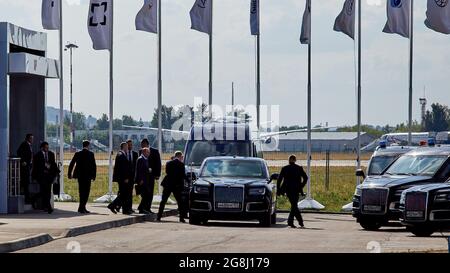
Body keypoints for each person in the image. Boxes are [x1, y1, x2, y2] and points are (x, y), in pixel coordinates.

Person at [277, 155, 308, 228]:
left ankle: (294, 222)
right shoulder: (299, 168)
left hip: (288, 189)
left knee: (294, 205)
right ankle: (298, 222)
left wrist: (279, 189)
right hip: (296, 189)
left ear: (289, 160)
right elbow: (305, 178)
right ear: (295, 160)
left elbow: (279, 180)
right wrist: (301, 185)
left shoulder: (285, 168)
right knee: (294, 205)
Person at [157, 151, 187, 222]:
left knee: (163, 201)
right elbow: (182, 175)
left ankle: (159, 216)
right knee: (180, 202)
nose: (182, 158)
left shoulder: (168, 163)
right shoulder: (181, 164)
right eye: (181, 157)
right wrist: (189, 180)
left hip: (168, 184)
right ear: (179, 156)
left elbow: (167, 172)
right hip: (177, 185)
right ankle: (181, 218)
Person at [68, 140, 97, 214]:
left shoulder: (78, 153)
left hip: (80, 176)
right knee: (86, 192)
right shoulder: (91, 154)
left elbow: (72, 164)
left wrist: (69, 174)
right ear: (88, 145)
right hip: (88, 176)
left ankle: (81, 207)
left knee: (81, 191)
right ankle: (82, 207)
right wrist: (94, 176)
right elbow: (94, 166)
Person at [32, 142, 59, 214]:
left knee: (48, 192)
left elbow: (53, 164)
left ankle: (44, 204)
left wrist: (56, 173)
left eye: (48, 147)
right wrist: (34, 176)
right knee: (44, 191)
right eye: (46, 147)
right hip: (41, 176)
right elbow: (35, 167)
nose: (47, 149)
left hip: (49, 176)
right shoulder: (37, 155)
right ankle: (48, 207)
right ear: (42, 148)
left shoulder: (51, 154)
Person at [108, 143, 134, 215]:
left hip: (123, 178)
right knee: (124, 194)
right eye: (126, 146)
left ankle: (114, 206)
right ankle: (117, 207)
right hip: (123, 179)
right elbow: (122, 168)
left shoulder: (122, 154)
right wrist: (125, 178)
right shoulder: (121, 155)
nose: (127, 147)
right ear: (123, 147)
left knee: (124, 194)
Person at [137, 139, 161, 214]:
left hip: (152, 176)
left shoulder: (154, 151)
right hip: (144, 177)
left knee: (150, 193)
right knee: (145, 193)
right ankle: (143, 207)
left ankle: (147, 207)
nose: (142, 147)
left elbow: (158, 163)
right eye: (141, 145)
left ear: (147, 144)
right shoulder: (141, 151)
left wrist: (157, 174)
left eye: (143, 145)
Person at [17, 134, 34, 203]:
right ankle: (27, 197)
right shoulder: (24, 144)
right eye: (31, 138)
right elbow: (19, 152)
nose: (32, 140)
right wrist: (23, 161)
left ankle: (26, 195)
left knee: (26, 181)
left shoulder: (29, 145)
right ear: (28, 138)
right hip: (25, 166)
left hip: (28, 165)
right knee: (25, 181)